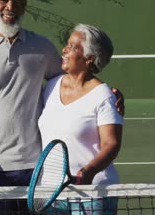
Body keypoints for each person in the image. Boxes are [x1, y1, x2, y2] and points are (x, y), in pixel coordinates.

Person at [0, 0, 124, 214]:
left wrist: (109, 94)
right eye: (4, 0)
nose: (10, 7)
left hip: (37, 173)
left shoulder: (42, 48)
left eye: (18, 1)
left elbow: (76, 80)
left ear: (25, 4)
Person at [38, 24, 123, 214]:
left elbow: (111, 143)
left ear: (89, 58)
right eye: (67, 44)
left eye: (73, 46)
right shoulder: (50, 86)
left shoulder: (104, 96)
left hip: (94, 194)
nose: (64, 50)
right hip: (53, 193)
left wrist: (89, 171)